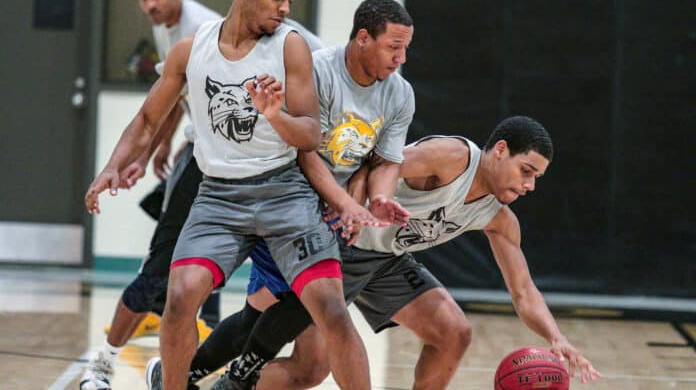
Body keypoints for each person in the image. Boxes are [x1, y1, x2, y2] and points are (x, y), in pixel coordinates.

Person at [85, 0, 377, 390]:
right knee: (181, 297)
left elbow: (310, 135)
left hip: (284, 192)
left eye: (290, 0)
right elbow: (148, 119)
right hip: (218, 195)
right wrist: (114, 166)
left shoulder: (290, 46)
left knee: (331, 309)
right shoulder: (191, 49)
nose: (284, 8)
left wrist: (275, 114)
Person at [192, 117, 603, 389]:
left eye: (537, 179)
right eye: (526, 171)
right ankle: (197, 378)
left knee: (453, 332)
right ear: (499, 151)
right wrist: (350, 207)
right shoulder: (453, 158)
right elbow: (375, 162)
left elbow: (524, 292)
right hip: (341, 246)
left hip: (386, 260)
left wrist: (556, 337)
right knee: (308, 368)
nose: (529, 186)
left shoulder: (499, 217)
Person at [146, 0, 417, 390]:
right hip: (290, 207)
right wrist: (343, 202)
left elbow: (384, 160)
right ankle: (189, 378)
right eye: (394, 47)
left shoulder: (399, 93)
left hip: (340, 220)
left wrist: (374, 198)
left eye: (406, 49)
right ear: (363, 38)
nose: (401, 58)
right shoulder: (317, 71)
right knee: (277, 319)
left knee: (310, 365)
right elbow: (302, 151)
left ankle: (190, 378)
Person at [79, 0, 222, 390]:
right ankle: (105, 363)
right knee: (161, 265)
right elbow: (170, 95)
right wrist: (157, 149)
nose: (150, 5)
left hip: (235, 165)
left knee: (213, 267)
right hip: (201, 159)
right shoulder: (172, 33)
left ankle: (196, 358)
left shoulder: (202, 27)